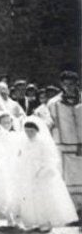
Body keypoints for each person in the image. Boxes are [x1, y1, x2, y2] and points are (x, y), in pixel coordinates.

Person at [14, 117, 78, 231]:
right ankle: (35, 220)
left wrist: (43, 170)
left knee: (44, 197)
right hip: (28, 171)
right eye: (27, 131)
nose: (29, 133)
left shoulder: (43, 142)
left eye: (31, 131)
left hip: (43, 172)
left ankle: (46, 221)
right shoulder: (24, 142)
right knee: (31, 197)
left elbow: (51, 158)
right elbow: (21, 156)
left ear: (37, 130)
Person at [47, 70, 82, 212]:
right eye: (65, 84)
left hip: (81, 144)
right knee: (66, 179)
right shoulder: (53, 103)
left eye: (72, 84)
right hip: (63, 146)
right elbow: (48, 122)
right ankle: (71, 210)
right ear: (61, 84)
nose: (69, 87)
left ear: (77, 83)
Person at [0, 112, 21, 226]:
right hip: (2, 164)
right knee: (3, 190)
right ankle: (6, 215)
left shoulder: (16, 135)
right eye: (4, 122)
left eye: (9, 122)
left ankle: (14, 215)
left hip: (14, 164)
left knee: (14, 190)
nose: (7, 124)